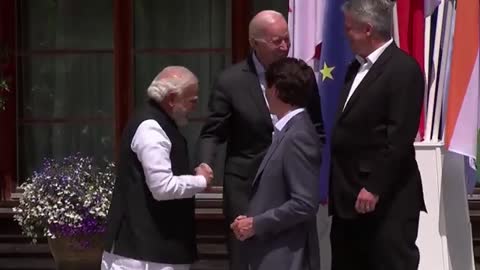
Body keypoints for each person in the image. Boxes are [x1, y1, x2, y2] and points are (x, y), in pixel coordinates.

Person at [197, 10, 324, 270]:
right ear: (255, 42)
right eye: (276, 41)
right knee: (245, 254)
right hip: (246, 185)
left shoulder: (299, 75)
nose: (285, 46)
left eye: (286, 39)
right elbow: (213, 131)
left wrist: (307, 165)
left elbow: (317, 127)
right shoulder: (231, 80)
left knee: (286, 253)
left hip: (289, 185)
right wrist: (204, 163)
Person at [328, 1, 426, 270]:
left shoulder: (403, 69)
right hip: (348, 197)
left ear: (368, 29)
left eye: (349, 28)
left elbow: (399, 137)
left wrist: (374, 186)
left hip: (385, 200)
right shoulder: (355, 68)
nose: (345, 34)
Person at [102, 66, 214, 270]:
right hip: (143, 257)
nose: (194, 107)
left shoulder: (160, 124)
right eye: (192, 101)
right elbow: (162, 187)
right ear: (172, 99)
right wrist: (200, 181)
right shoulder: (151, 128)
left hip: (154, 252)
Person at [230, 57, 322, 270]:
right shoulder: (288, 132)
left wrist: (256, 224)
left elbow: (304, 203)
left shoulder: (298, 136)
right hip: (271, 253)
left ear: (276, 91)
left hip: (287, 257)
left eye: (267, 86)